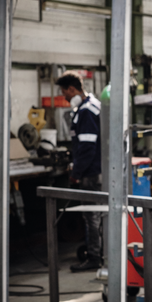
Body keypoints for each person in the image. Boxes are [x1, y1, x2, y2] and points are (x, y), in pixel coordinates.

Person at [56, 71, 103, 272]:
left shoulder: (86, 111)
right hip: (97, 169)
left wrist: (76, 173)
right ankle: (100, 253)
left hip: (90, 173)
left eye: (65, 93)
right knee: (97, 215)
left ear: (72, 89)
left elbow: (87, 148)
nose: (65, 97)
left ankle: (94, 257)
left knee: (91, 215)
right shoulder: (93, 105)